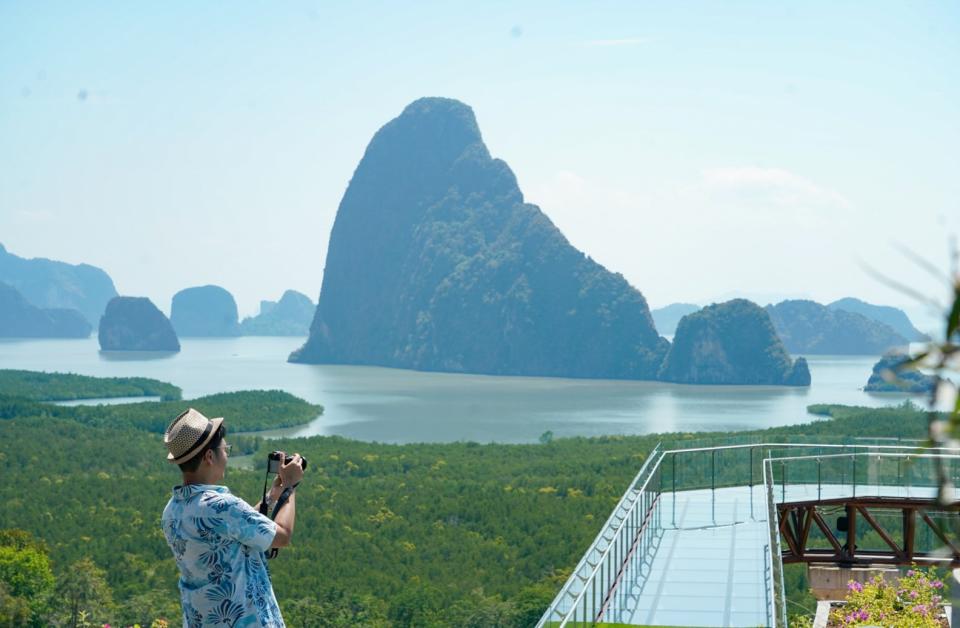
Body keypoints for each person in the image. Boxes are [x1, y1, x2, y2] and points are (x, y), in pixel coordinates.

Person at [161, 408, 303, 627]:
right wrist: (290, 487)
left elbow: (235, 528)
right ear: (209, 456)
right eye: (224, 449)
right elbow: (282, 536)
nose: (226, 454)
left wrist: (272, 496)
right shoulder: (223, 506)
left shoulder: (172, 510)